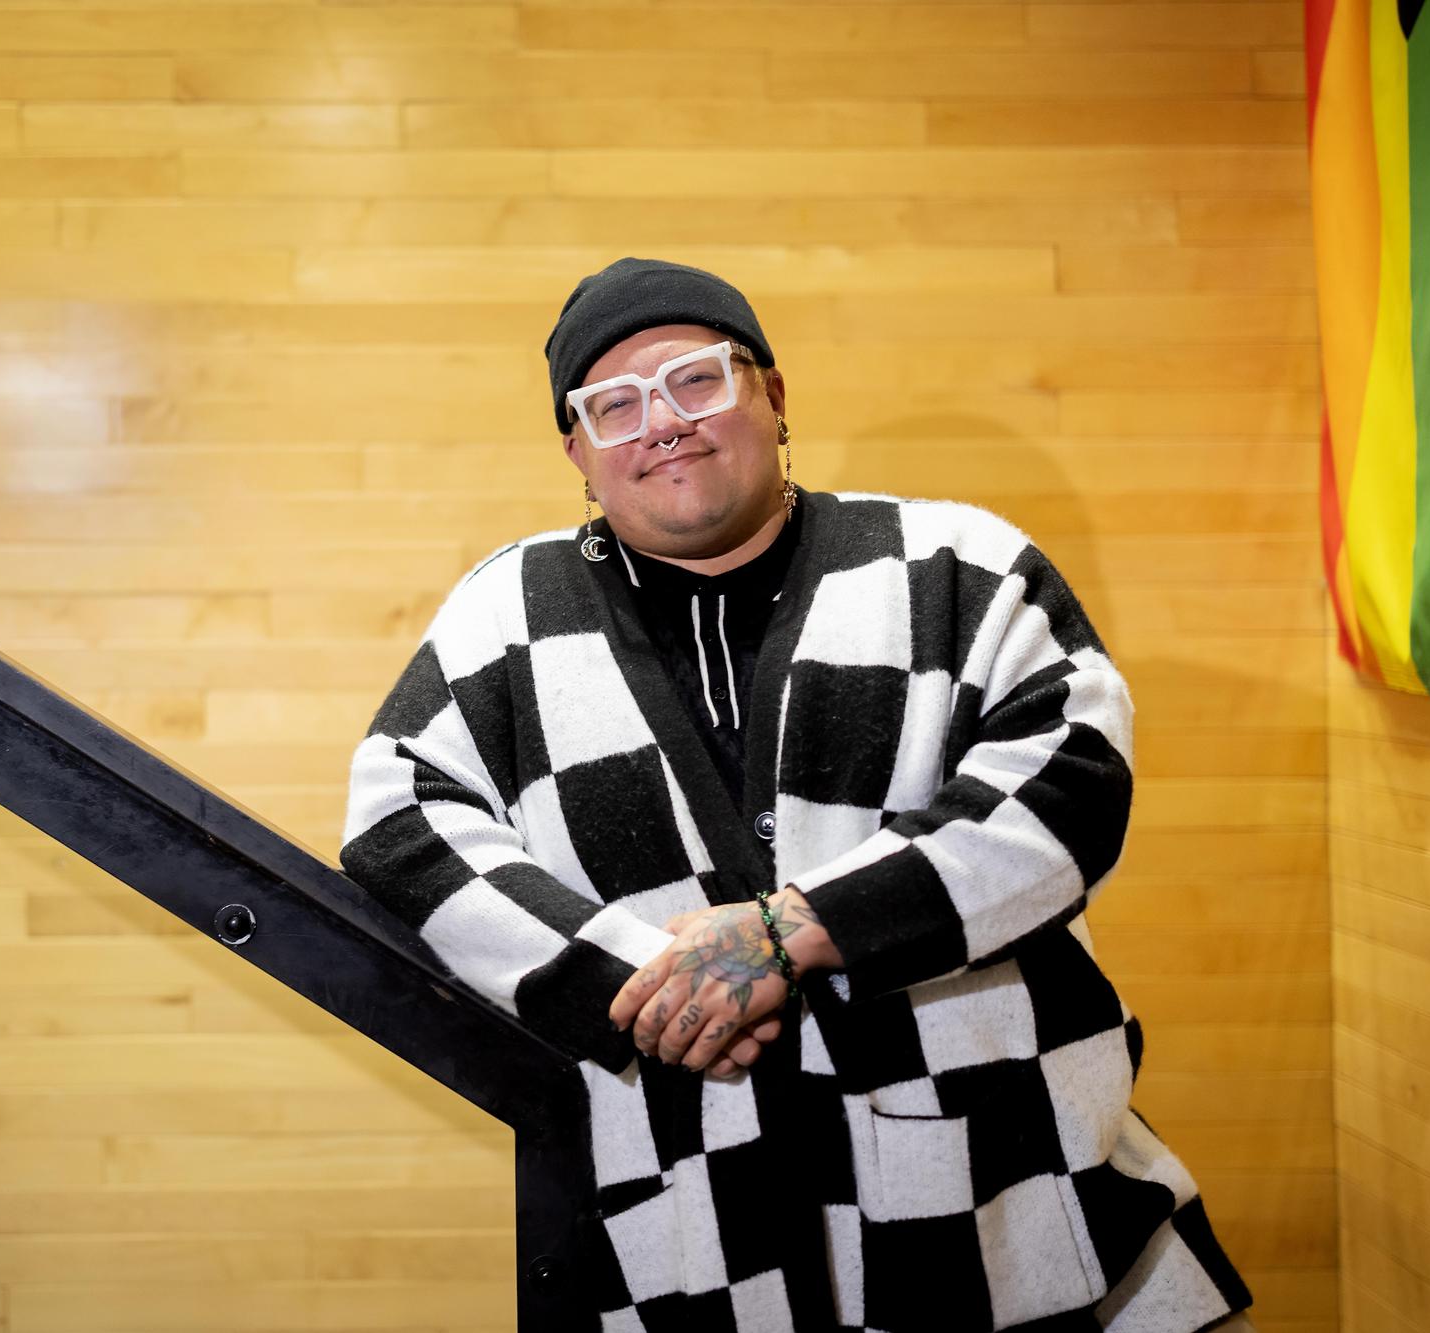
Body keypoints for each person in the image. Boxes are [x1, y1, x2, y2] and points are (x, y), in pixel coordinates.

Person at [340, 258, 1256, 1332]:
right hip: (693, 1228)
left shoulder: (955, 565)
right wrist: (648, 984)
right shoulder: (505, 615)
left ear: (771, 395)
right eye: (615, 404)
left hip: (1016, 1201)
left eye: (695, 380)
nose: (663, 423)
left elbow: (1070, 779)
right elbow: (398, 824)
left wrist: (793, 932)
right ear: (578, 452)